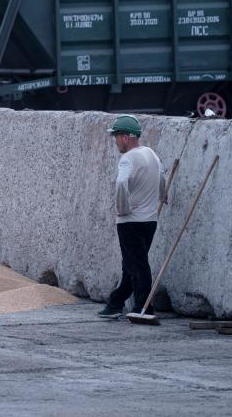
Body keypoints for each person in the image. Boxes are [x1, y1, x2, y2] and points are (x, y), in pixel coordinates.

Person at [98, 115, 167, 318]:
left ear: (126, 137)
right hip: (149, 221)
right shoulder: (150, 153)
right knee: (131, 263)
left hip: (130, 221)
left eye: (117, 136)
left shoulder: (127, 158)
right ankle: (116, 303)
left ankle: (143, 307)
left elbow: (121, 184)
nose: (116, 141)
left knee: (137, 265)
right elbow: (162, 174)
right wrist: (163, 196)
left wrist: (122, 208)